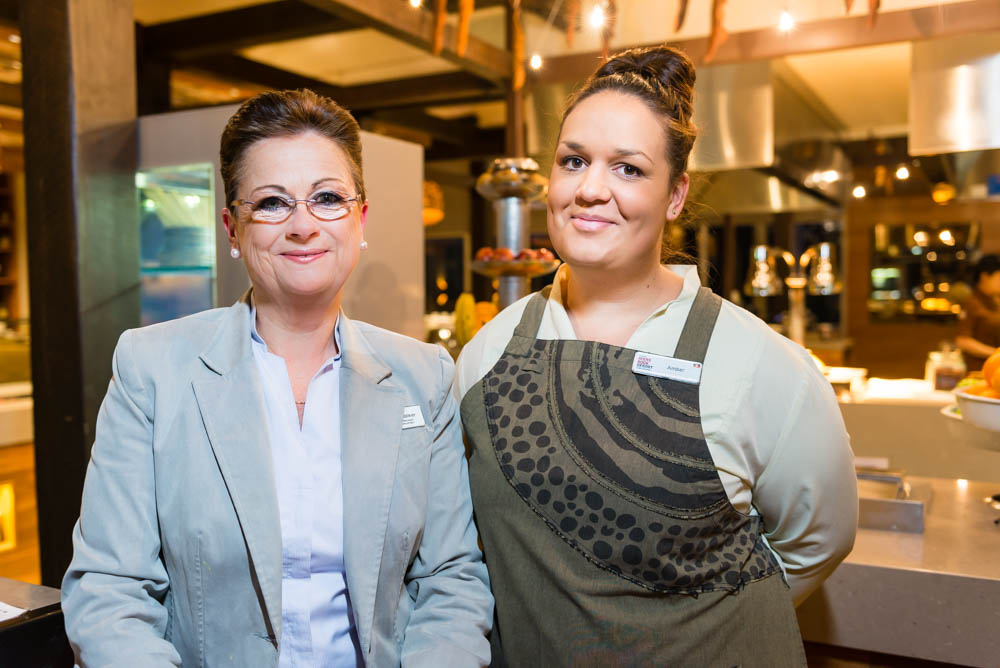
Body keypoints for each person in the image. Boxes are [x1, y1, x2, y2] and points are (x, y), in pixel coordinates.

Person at [62, 89, 492, 667]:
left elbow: (451, 578)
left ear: (360, 218)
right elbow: (109, 590)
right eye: (271, 203)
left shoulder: (424, 377)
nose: (303, 225)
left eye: (328, 198)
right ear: (232, 229)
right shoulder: (151, 370)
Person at [456, 47, 857, 666]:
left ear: (675, 196)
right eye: (574, 161)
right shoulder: (487, 351)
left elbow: (816, 542)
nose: (590, 189)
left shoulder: (759, 363)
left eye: (628, 169)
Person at [956, 254, 1000, 371]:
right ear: (985, 276)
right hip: (979, 371)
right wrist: (996, 354)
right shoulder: (972, 303)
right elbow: (963, 341)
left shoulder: (995, 301)